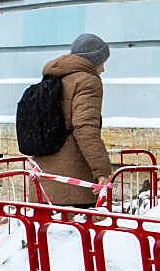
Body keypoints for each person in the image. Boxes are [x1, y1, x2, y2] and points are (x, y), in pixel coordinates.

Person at [33, 33, 113, 207]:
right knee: (78, 232)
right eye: (101, 62)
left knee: (47, 232)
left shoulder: (55, 76)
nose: (103, 69)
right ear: (93, 60)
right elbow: (85, 128)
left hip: (45, 177)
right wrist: (102, 171)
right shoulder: (88, 82)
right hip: (74, 183)